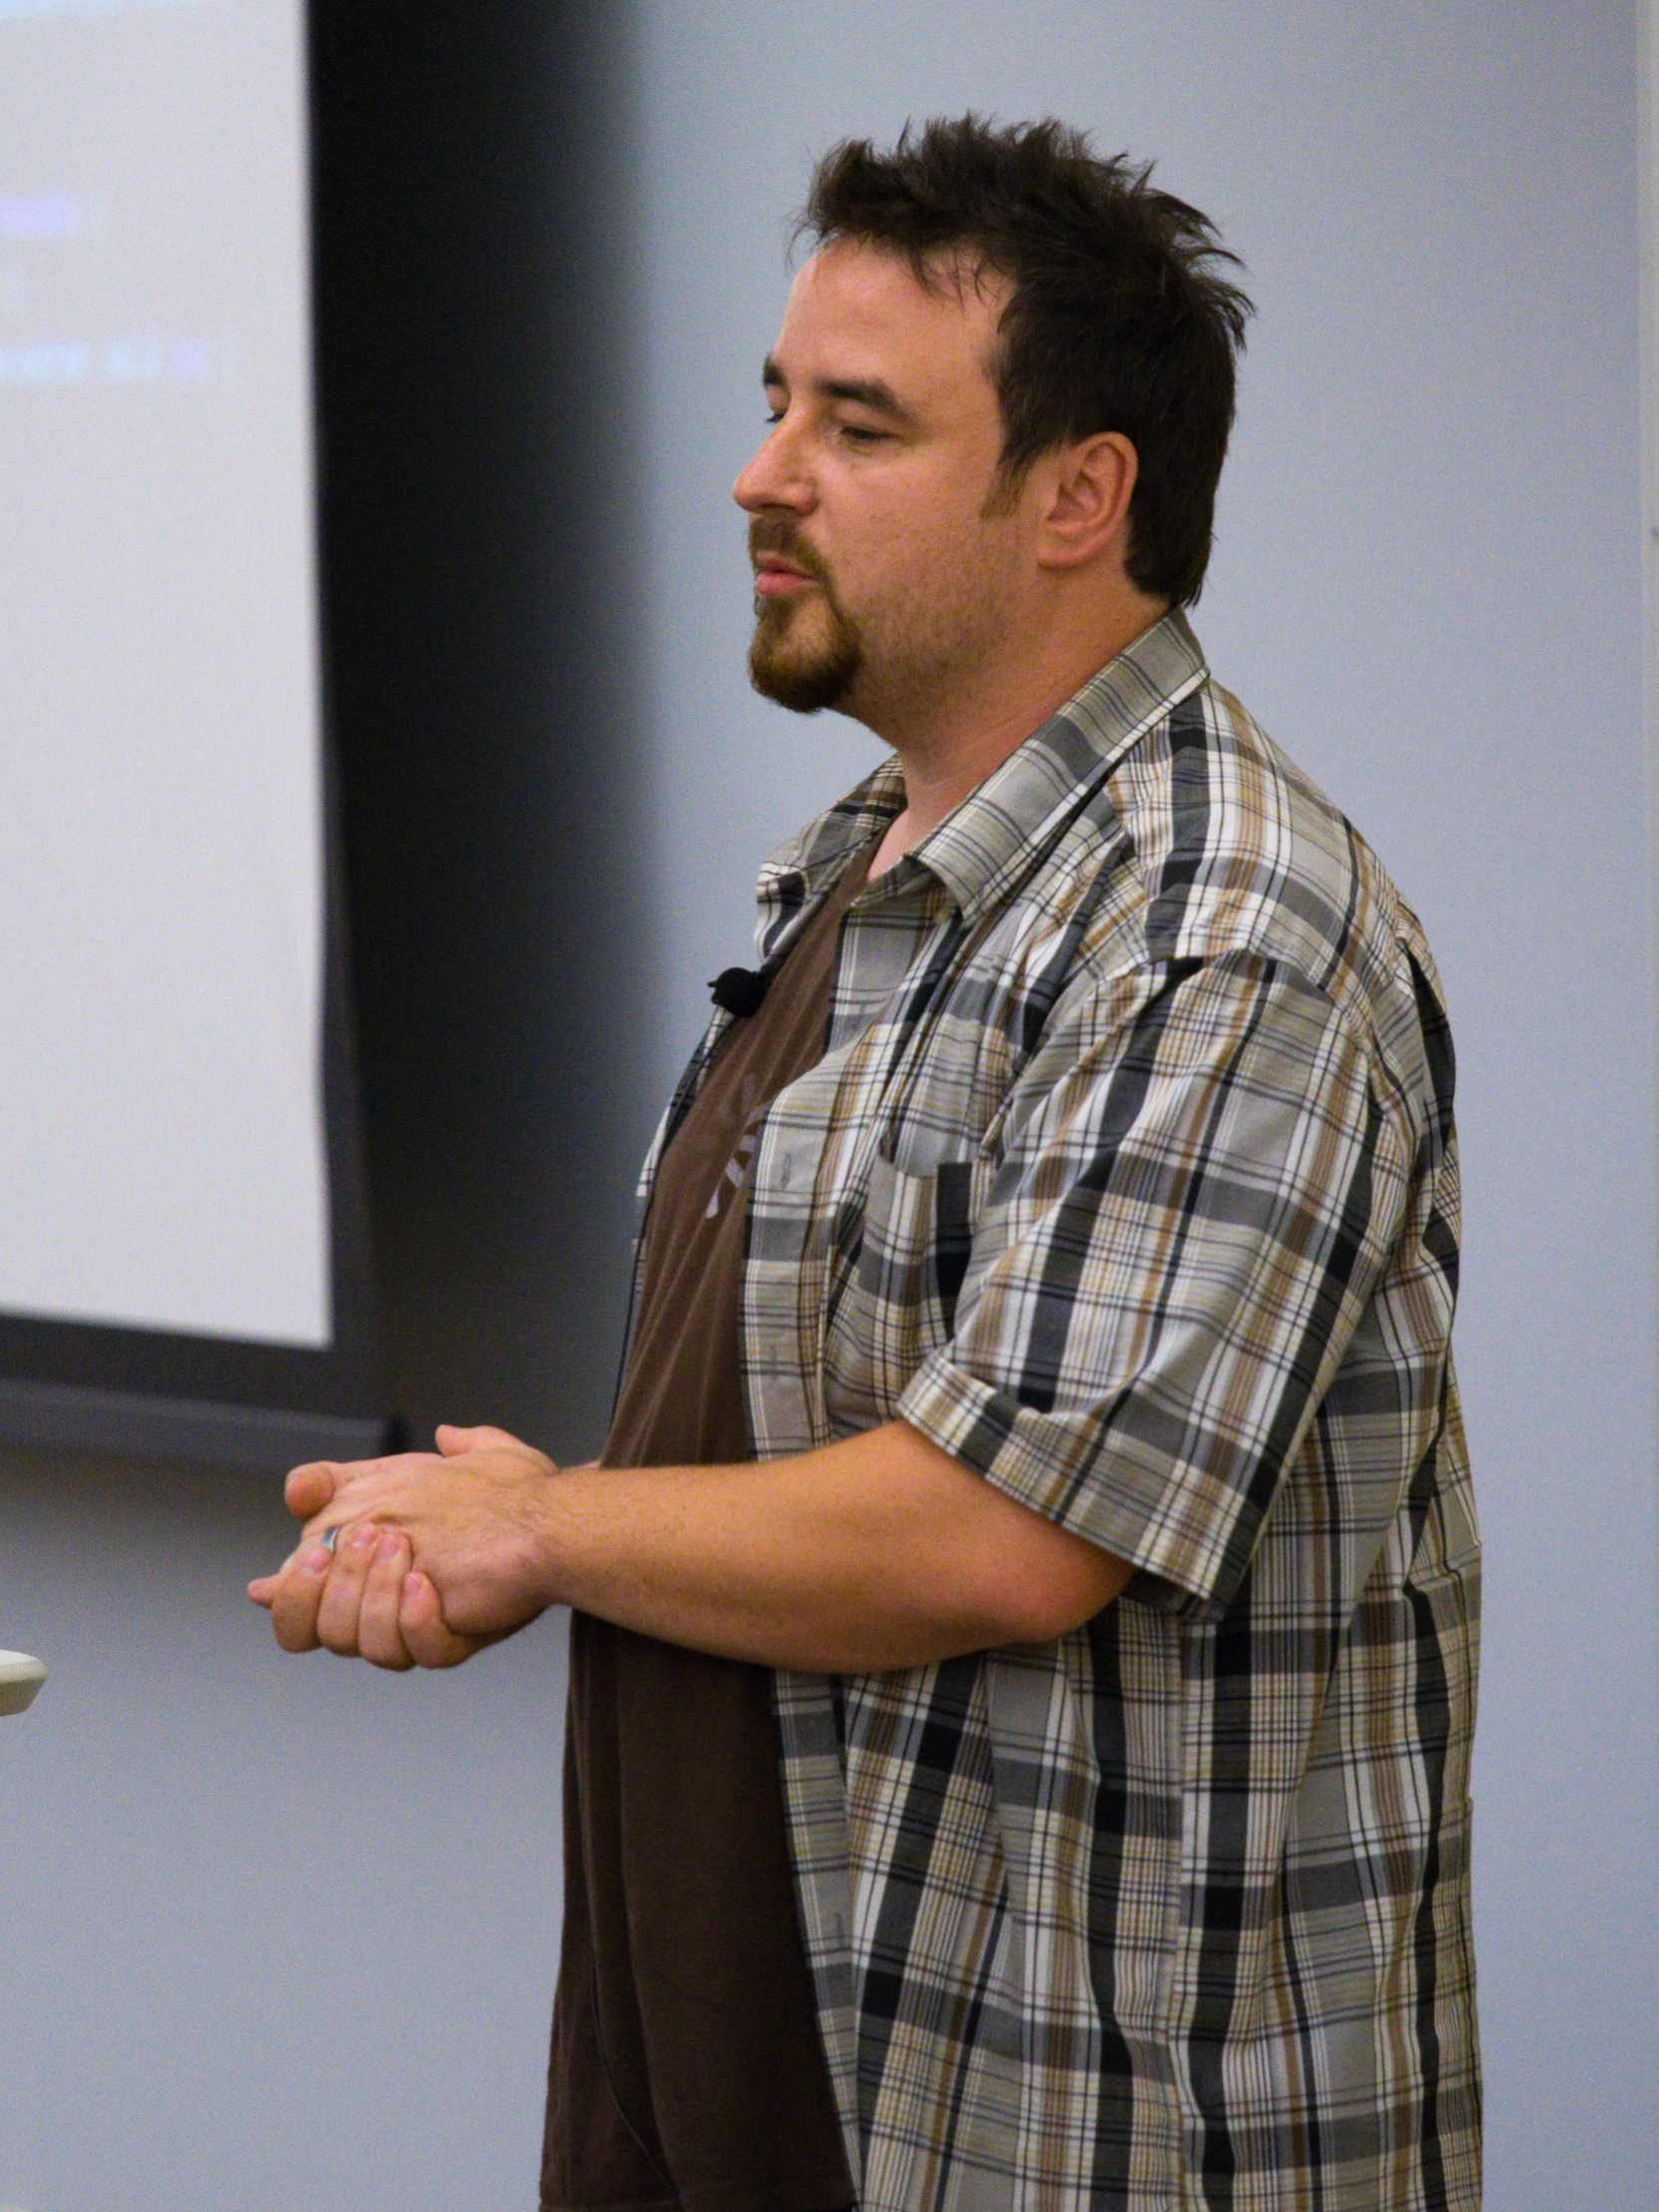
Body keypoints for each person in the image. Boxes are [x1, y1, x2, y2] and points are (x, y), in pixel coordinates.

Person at [252, 117, 1479, 2212]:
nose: (763, 472)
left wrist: (546, 1530)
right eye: (772, 404)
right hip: (735, 2094)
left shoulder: (1226, 925)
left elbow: (1006, 1530)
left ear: (1080, 496)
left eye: (860, 423)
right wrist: (506, 1519)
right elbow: (778, 1438)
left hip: (1061, 2146)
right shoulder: (860, 872)